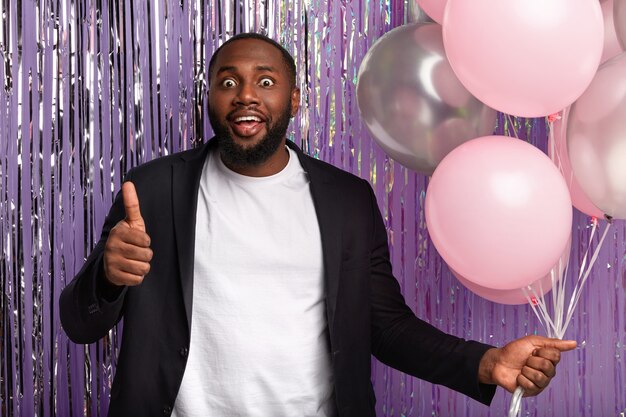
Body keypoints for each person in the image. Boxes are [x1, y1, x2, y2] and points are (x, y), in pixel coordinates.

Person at [59, 33, 576, 417]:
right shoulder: (150, 191)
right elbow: (79, 324)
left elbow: (385, 326)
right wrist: (107, 276)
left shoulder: (346, 200)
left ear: (295, 100)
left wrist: (487, 363)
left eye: (265, 80)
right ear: (211, 100)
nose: (246, 94)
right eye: (228, 82)